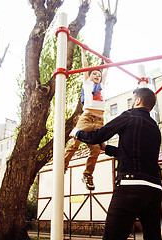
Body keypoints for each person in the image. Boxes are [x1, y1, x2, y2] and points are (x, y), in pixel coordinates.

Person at [70, 87, 162, 240]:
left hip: (130, 186)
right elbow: (128, 152)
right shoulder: (155, 127)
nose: (130, 103)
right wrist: (107, 149)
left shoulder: (129, 116)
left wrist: (77, 133)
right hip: (154, 189)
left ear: (138, 101)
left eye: (131, 100)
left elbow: (97, 136)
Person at [64, 47, 107, 191]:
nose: (96, 76)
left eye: (98, 75)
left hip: (99, 121)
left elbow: (106, 71)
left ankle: (87, 175)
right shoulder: (88, 84)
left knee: (96, 150)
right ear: (90, 76)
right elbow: (85, 67)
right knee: (74, 141)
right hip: (87, 117)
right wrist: (83, 53)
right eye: (94, 74)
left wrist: (106, 63)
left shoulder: (102, 86)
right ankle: (63, 164)